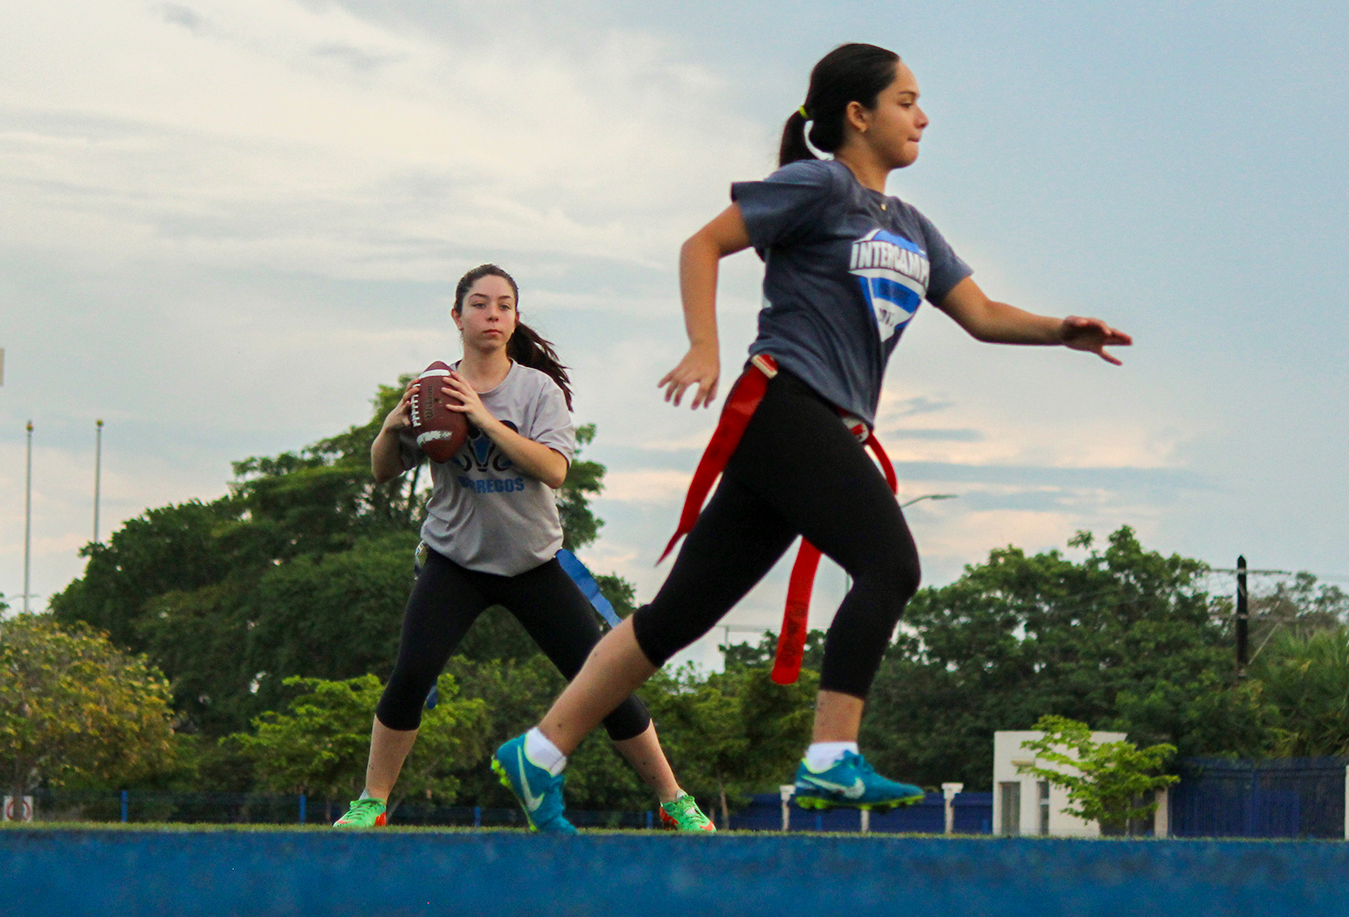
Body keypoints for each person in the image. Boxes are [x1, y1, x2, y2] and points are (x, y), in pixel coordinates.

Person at [493, 43, 1131, 829]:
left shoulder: (915, 229)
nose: (922, 116)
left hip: (818, 431)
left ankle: (542, 749)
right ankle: (831, 757)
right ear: (858, 115)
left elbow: (983, 314)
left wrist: (1062, 330)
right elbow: (703, 244)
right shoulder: (819, 185)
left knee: (675, 618)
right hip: (784, 407)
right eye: (907, 100)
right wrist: (705, 345)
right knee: (890, 563)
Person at [333, 263, 713, 833]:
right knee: (410, 675)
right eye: (480, 304)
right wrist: (389, 429)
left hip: (534, 564)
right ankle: (373, 800)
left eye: (504, 305)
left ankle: (672, 798)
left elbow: (554, 471)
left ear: (515, 319)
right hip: (454, 562)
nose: (492, 314)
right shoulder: (433, 389)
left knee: (605, 682)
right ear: (457, 316)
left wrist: (484, 419)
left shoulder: (537, 390)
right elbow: (383, 472)